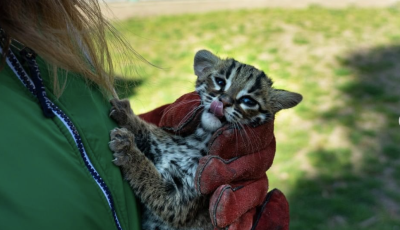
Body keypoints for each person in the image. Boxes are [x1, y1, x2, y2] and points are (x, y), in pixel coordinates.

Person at [0, 1, 289, 230]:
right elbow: (172, 206)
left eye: (247, 99)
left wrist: (134, 126)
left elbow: (168, 176)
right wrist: (135, 155)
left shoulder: (50, 25)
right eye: (220, 85)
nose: (224, 101)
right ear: (202, 73)